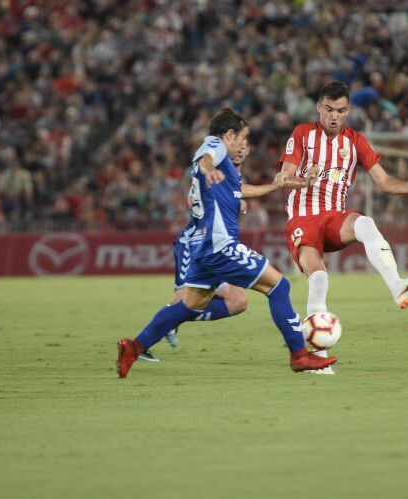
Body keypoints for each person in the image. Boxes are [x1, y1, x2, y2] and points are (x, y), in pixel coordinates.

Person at [116, 109, 335, 378]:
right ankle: (299, 355)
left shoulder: (228, 168)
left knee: (188, 306)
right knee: (279, 286)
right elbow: (204, 159)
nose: (244, 143)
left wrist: (279, 186)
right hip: (221, 245)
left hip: (205, 249)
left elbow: (241, 190)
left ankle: (133, 347)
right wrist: (207, 170)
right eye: (242, 137)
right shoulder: (215, 146)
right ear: (229, 134)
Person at [278, 81, 408, 374]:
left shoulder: (356, 142)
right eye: (328, 109)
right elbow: (283, 177)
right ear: (319, 108)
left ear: (348, 111)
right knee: (320, 277)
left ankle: (397, 286)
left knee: (366, 223)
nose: (334, 116)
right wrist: (304, 180)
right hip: (302, 218)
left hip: (334, 218)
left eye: (340, 110)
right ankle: (318, 357)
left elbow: (384, 182)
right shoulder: (302, 134)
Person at [138, 141, 287, 362]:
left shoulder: (235, 180)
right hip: (194, 244)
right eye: (238, 142)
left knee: (238, 302)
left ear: (248, 151)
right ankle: (147, 340)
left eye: (246, 145)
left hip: (217, 250)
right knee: (182, 300)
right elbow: (193, 197)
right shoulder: (213, 170)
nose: (240, 148)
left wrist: (270, 188)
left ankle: (173, 320)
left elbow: (240, 191)